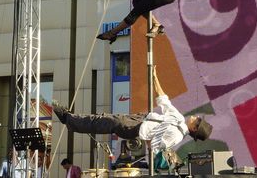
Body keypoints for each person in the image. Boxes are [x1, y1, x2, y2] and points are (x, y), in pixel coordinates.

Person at [53, 66, 212, 154]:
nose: (194, 117)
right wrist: (154, 76)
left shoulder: (176, 136)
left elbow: (154, 147)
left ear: (194, 128)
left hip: (135, 128)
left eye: (197, 120)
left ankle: (68, 119)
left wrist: (149, 133)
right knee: (104, 118)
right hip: (140, 118)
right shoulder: (177, 118)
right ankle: (71, 120)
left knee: (108, 121)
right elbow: (163, 99)